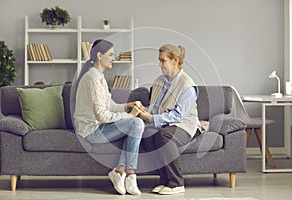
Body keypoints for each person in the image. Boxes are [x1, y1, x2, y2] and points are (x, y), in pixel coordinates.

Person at [72, 39, 145, 195]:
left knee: (135, 123)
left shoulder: (99, 77)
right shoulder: (92, 78)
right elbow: (102, 115)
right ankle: (130, 174)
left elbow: (109, 105)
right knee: (136, 124)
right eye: (111, 54)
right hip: (90, 130)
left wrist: (129, 105)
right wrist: (129, 115)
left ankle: (120, 171)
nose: (114, 58)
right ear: (99, 55)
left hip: (97, 126)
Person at [139, 44, 201, 195]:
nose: (159, 64)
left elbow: (178, 115)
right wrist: (144, 110)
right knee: (146, 135)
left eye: (163, 60)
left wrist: (152, 118)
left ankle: (176, 183)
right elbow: (155, 107)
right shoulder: (159, 81)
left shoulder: (187, 85)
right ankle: (164, 179)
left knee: (163, 135)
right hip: (165, 123)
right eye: (159, 60)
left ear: (175, 61)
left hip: (185, 125)